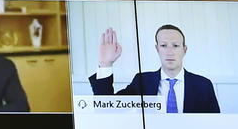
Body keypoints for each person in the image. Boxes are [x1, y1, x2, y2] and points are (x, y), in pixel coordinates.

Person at [88, 25, 220, 113]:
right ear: (157, 49)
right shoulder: (142, 81)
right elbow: (106, 109)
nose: (169, 52)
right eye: (163, 45)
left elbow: (215, 127)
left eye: (175, 45)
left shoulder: (203, 85)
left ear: (184, 50)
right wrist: (105, 64)